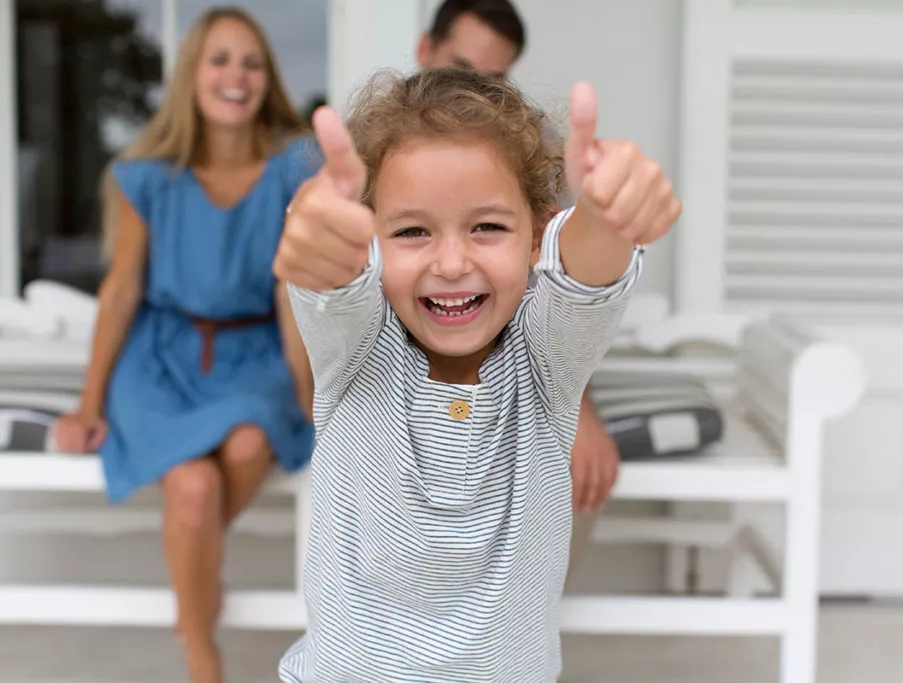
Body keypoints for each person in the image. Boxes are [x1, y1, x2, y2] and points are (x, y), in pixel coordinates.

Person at [274, 68, 680, 682]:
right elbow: (332, 281)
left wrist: (608, 214)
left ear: (537, 236)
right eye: (412, 231)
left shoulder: (548, 363)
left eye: (487, 226)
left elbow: (590, 268)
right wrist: (320, 235)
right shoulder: (353, 354)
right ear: (373, 242)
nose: (453, 262)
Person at [53, 7, 318, 683]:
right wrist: (89, 404)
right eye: (220, 59)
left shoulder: (293, 165)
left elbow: (292, 294)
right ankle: (201, 647)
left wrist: (313, 397)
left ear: (269, 78)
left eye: (252, 62)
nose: (238, 76)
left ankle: (190, 576)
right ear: (192, 75)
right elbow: (120, 292)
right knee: (194, 488)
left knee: (250, 443)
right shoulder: (145, 174)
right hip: (160, 355)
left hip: (253, 353)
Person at [417, 0, 621, 577]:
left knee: (563, 458)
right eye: (458, 66)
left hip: (516, 358)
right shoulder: (372, 144)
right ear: (423, 53)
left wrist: (579, 407)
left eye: (494, 77)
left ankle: (519, 630)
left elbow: (564, 282)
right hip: (397, 359)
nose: (473, 90)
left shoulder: (539, 146)